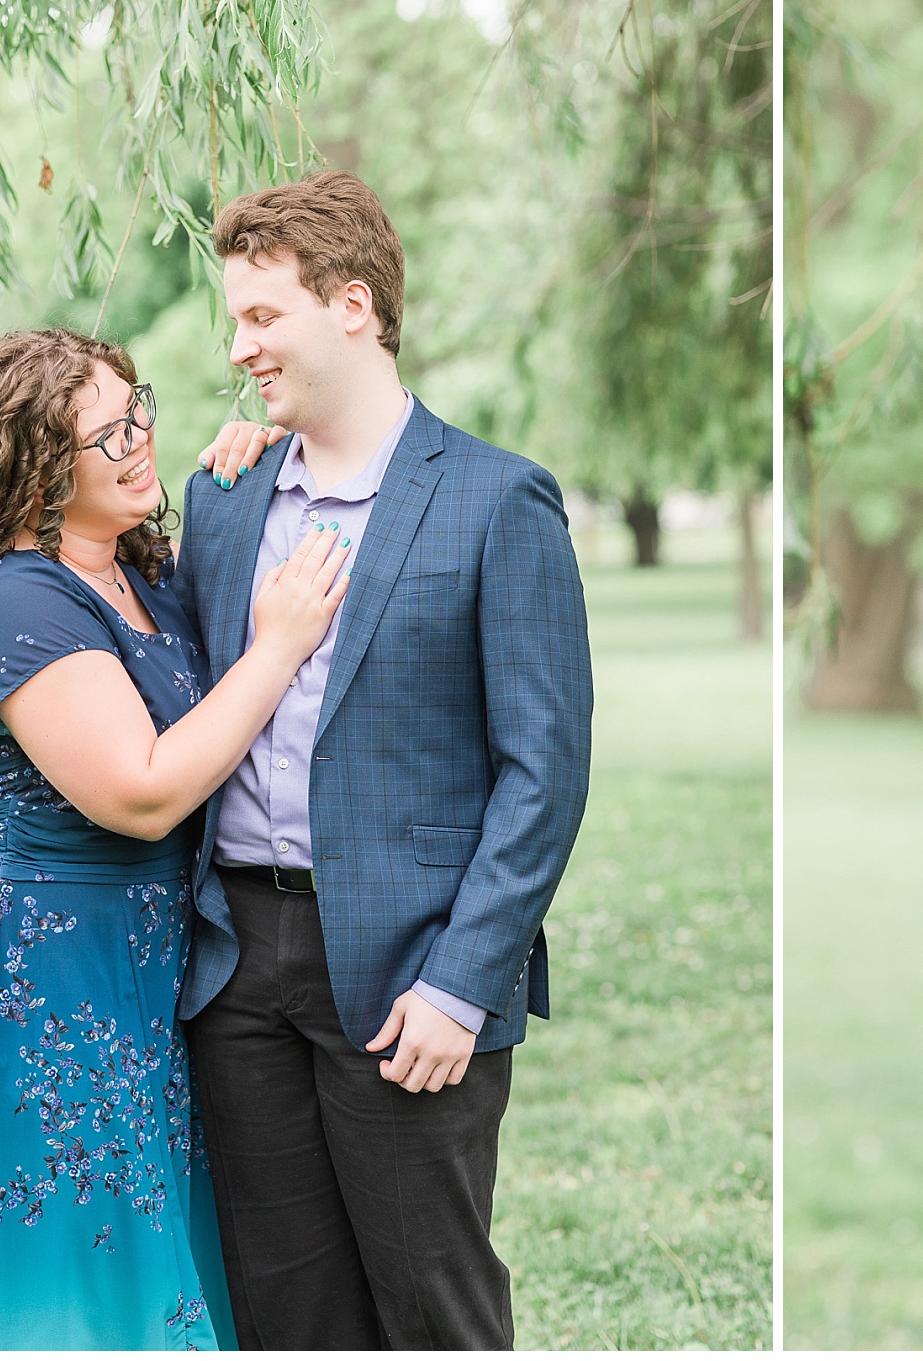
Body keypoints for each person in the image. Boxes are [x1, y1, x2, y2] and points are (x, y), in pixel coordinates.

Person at [0, 329, 352, 1350]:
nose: (138, 438)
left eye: (137, 408)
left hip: (129, 964)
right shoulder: (17, 600)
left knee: (129, 1255)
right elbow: (144, 792)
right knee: (58, 1269)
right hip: (28, 975)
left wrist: (244, 474)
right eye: (103, 433)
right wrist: (285, 642)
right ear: (32, 470)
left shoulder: (139, 572)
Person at [173, 170, 592, 1349]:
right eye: (234, 320)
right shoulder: (226, 495)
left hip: (413, 971)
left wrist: (464, 981)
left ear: (352, 305)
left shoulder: (495, 501)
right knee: (283, 1310)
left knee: (433, 1306)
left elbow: (543, 773)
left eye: (263, 316)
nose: (240, 346)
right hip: (238, 965)